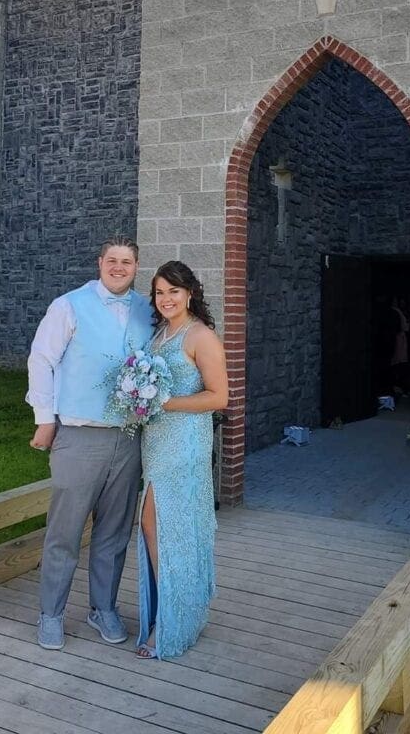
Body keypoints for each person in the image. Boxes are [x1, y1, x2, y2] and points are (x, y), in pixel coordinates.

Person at [26, 237, 154, 650]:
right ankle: (51, 614)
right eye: (112, 260)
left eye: (127, 262)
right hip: (79, 434)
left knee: (115, 532)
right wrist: (44, 420)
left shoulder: (146, 310)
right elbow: (41, 360)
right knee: (64, 531)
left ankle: (104, 608)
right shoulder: (68, 305)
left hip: (128, 437)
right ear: (100, 263)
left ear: (136, 267)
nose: (119, 267)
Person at [136, 260, 229, 659]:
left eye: (174, 291)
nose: (166, 299)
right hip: (155, 441)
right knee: (163, 527)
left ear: (189, 293)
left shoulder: (201, 336)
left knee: (159, 524)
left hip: (185, 442)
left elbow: (218, 397)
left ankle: (172, 621)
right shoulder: (158, 335)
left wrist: (163, 401)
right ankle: (175, 611)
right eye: (159, 292)